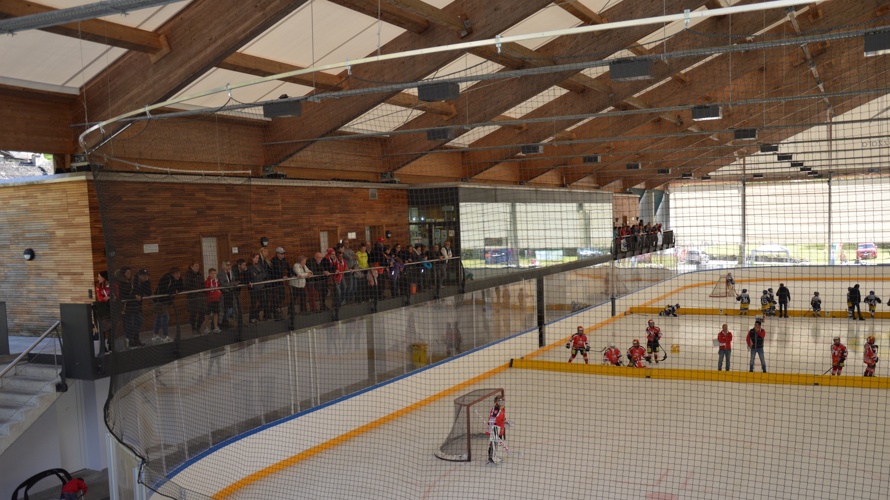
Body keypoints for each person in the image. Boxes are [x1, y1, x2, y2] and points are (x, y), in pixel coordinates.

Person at [152, 267, 183, 343]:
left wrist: (177, 290)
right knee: (165, 317)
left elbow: (181, 287)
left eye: (179, 273)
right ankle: (165, 336)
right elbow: (163, 290)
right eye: (176, 274)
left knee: (159, 317)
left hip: (165, 301)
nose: (178, 275)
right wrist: (173, 291)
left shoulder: (177, 279)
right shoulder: (166, 278)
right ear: (172, 273)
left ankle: (155, 335)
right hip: (159, 301)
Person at [184, 261, 205, 334]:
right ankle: (193, 328)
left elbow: (203, 284)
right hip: (193, 298)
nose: (197, 267)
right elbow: (186, 286)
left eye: (198, 266)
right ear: (191, 267)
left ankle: (198, 327)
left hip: (201, 297)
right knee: (193, 314)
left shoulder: (200, 275)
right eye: (196, 266)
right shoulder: (188, 275)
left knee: (202, 313)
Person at [487, 396, 507, 465]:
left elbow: (501, 417)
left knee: (498, 443)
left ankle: (496, 456)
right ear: (496, 403)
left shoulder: (502, 409)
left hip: (500, 429)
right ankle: (491, 458)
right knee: (493, 443)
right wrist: (492, 429)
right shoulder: (496, 410)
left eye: (503, 402)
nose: (502, 403)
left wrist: (505, 421)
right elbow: (492, 419)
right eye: (501, 402)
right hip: (495, 429)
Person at [218, 260, 239, 327]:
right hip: (224, 294)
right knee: (224, 310)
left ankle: (228, 321)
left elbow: (233, 281)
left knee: (232, 309)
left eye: (230, 265)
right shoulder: (220, 273)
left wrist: (235, 283)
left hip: (231, 293)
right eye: (227, 265)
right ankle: (221, 323)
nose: (229, 266)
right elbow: (223, 284)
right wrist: (233, 284)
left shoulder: (231, 272)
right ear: (224, 266)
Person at [203, 268, 222, 333]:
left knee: (216, 313)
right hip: (209, 300)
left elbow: (219, 288)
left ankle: (215, 327)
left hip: (216, 300)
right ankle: (207, 328)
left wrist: (219, 293)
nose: (213, 275)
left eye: (214, 273)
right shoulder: (207, 281)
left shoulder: (217, 281)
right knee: (207, 314)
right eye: (212, 273)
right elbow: (206, 290)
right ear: (209, 274)